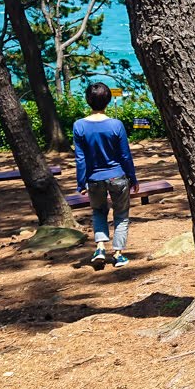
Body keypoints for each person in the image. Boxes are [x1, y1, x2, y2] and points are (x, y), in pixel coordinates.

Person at [73, 82, 138, 268]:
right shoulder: (116, 125)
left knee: (98, 211)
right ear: (108, 100)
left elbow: (80, 159)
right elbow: (125, 155)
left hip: (94, 179)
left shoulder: (79, 126)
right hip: (118, 176)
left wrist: (81, 183)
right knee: (121, 214)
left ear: (88, 100)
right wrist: (133, 178)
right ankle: (118, 254)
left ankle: (100, 247)